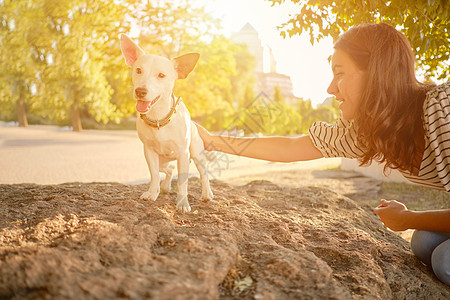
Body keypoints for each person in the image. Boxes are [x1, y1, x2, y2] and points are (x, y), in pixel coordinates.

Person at [194, 23, 450, 286]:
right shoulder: (366, 131)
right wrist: (212, 141)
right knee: (424, 241)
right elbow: (291, 148)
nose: (330, 88)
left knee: (444, 260)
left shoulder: (441, 112)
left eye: (339, 73)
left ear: (376, 74)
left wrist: (408, 218)